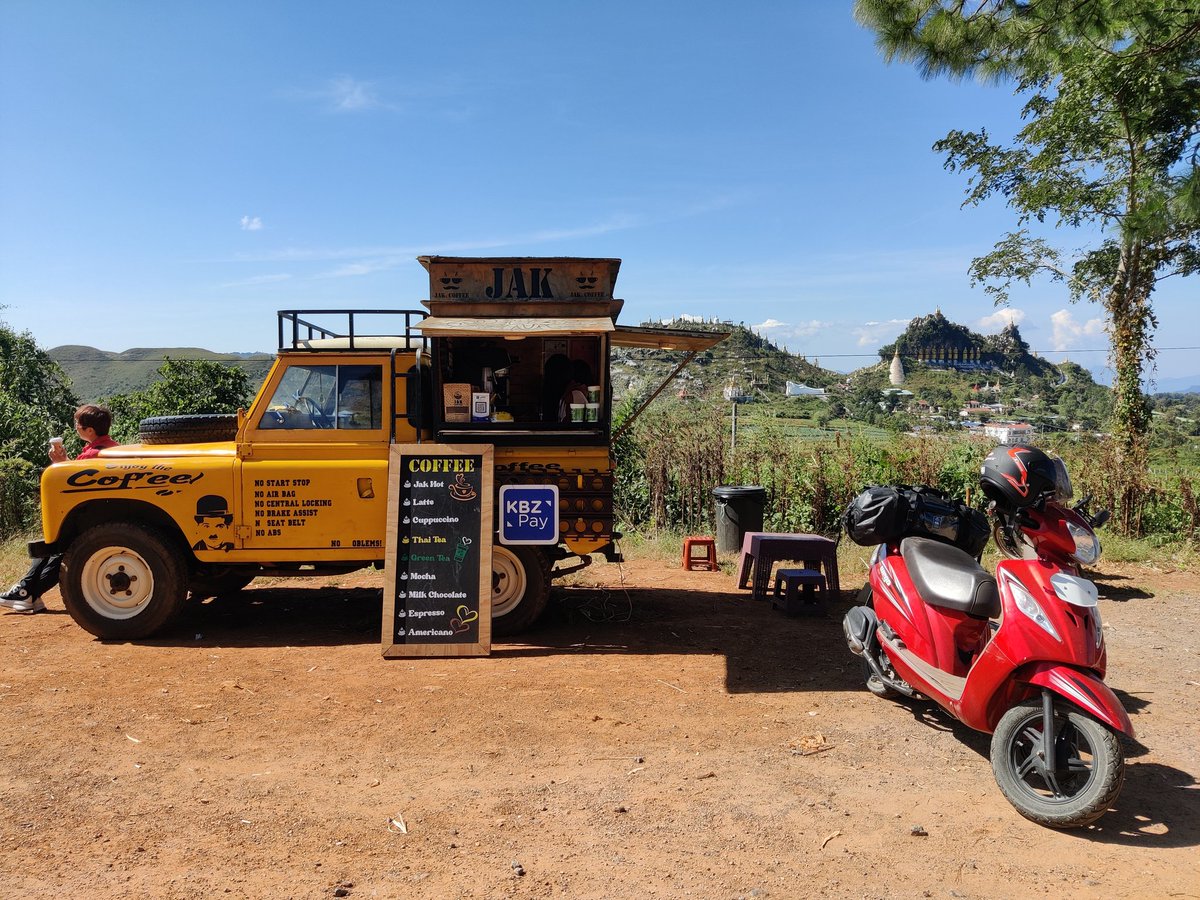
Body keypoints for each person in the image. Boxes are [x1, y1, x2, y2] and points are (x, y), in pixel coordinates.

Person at [0, 404, 118, 614]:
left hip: (87, 519)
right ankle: (29, 593)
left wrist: (59, 465)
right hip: (103, 515)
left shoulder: (93, 454)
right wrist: (65, 462)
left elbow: (75, 484)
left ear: (89, 430)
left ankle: (27, 592)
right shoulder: (112, 447)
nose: (75, 427)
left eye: (78, 424)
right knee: (54, 549)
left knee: (56, 548)